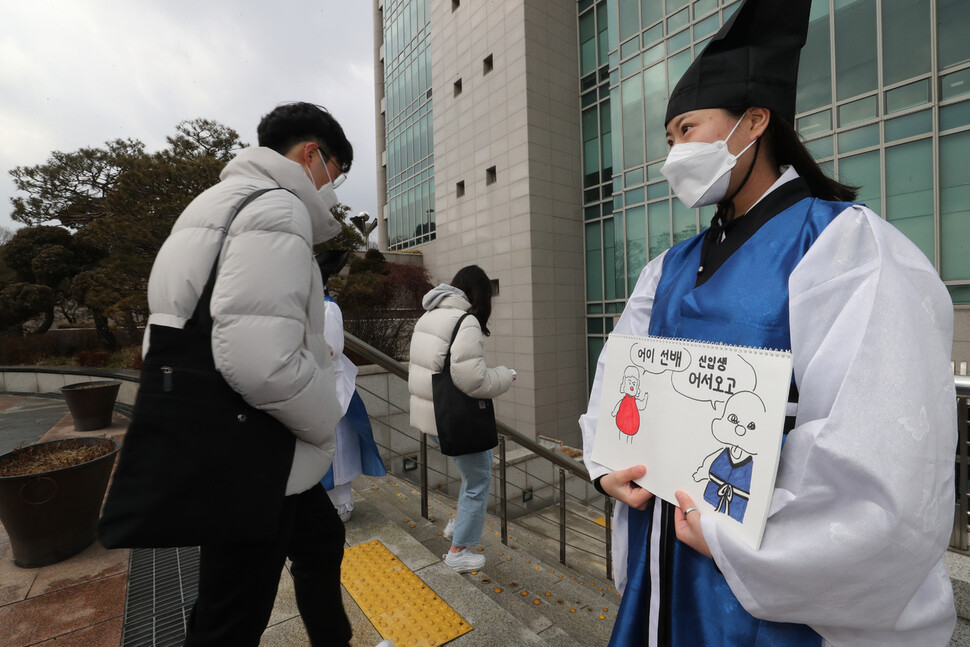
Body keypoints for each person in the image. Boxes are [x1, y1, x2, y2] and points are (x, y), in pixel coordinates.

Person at [580, 1, 957, 645]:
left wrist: (739, 538)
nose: (675, 153)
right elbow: (620, 386)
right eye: (669, 139)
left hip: (762, 578)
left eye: (688, 129)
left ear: (754, 122)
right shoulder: (666, 268)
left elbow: (880, 452)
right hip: (666, 554)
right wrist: (606, 460)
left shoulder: (845, 246)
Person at [144, 102, 384, 647]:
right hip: (252, 445)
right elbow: (261, 362)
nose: (333, 190)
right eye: (336, 175)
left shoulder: (215, 205)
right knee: (232, 612)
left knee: (319, 541)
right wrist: (326, 416)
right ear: (311, 155)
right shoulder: (277, 210)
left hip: (220, 427)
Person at [408, 265, 515, 573]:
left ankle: (457, 524)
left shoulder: (429, 315)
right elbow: (473, 380)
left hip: (432, 416)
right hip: (454, 418)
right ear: (479, 296)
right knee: (479, 478)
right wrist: (506, 376)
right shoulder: (465, 320)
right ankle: (458, 552)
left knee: (471, 475)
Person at [316, 250, 388, 522]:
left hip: (332, 391)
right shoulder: (304, 306)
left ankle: (340, 506)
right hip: (313, 389)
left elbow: (331, 350)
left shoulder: (327, 307)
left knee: (337, 451)